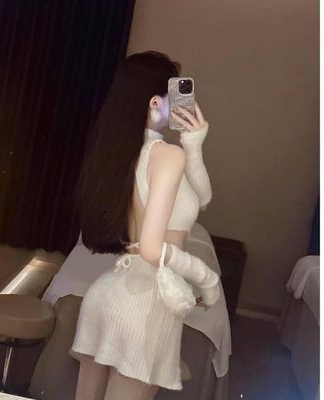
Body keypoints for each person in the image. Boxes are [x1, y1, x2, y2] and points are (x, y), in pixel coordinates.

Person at [70, 50, 220, 400]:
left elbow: (202, 198)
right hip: (148, 302)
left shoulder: (120, 154)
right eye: (172, 95)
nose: (178, 104)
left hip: (109, 292)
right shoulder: (167, 156)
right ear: (156, 101)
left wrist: (194, 146)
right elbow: (153, 250)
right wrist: (207, 278)